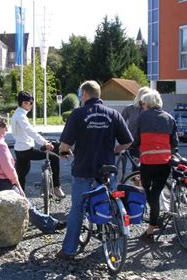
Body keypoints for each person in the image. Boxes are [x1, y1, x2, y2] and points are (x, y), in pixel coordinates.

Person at [56, 80, 133, 260]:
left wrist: (64, 152)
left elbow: (65, 144)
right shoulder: (113, 114)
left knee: (77, 209)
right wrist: (113, 151)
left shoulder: (78, 114)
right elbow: (128, 141)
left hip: (84, 167)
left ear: (84, 94)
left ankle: (69, 250)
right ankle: (114, 244)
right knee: (111, 204)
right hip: (107, 168)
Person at [0, 113, 65, 234]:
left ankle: (49, 223)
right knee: (24, 201)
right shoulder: (0, 145)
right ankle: (49, 225)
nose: (6, 129)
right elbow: (10, 170)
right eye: (4, 126)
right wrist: (19, 187)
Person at [134, 90, 178, 241]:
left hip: (147, 162)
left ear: (147, 104)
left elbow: (136, 140)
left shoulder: (142, 117)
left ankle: (151, 229)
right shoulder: (170, 118)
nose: (142, 106)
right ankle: (153, 224)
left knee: (149, 193)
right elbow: (175, 143)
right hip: (164, 163)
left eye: (143, 104)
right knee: (156, 193)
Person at [11, 91, 65, 198]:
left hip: (19, 149)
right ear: (23, 103)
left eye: (32, 102)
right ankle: (56, 187)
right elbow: (30, 131)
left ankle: (20, 198)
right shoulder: (21, 116)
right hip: (27, 150)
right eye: (29, 102)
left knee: (21, 175)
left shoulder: (17, 114)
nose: (31, 105)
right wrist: (45, 142)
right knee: (54, 157)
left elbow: (26, 132)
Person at [121, 86, 151, 170]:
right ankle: (135, 181)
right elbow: (120, 123)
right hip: (133, 142)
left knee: (145, 166)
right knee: (136, 167)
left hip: (146, 142)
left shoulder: (150, 110)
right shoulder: (129, 109)